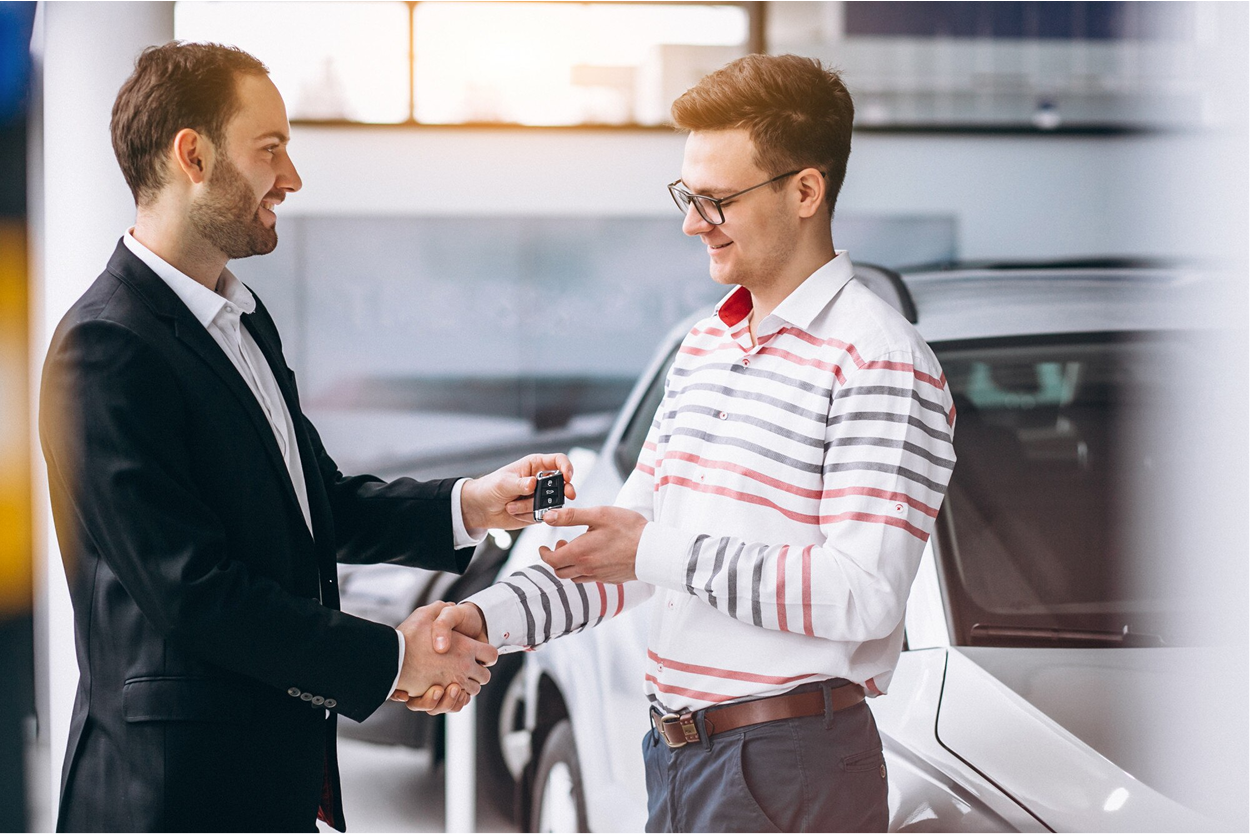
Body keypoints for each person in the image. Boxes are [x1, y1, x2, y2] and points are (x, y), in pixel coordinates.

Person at [38, 41, 571, 834]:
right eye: (271, 149)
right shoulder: (106, 348)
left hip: (265, 779)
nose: (291, 178)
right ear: (194, 155)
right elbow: (194, 593)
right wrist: (394, 659)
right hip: (170, 798)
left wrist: (473, 506)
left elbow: (313, 503)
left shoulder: (241, 321)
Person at [424, 54, 957, 833]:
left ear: (805, 191)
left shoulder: (880, 360)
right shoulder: (706, 346)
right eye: (687, 196)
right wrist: (489, 621)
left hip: (788, 762)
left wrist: (655, 552)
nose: (690, 222)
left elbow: (863, 592)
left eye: (717, 200)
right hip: (678, 755)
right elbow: (623, 550)